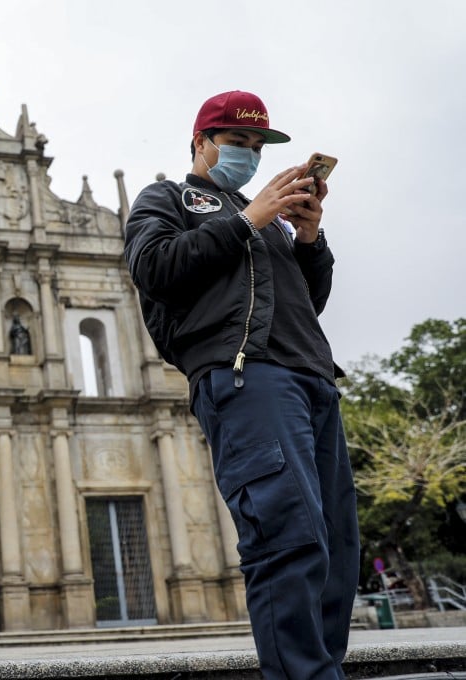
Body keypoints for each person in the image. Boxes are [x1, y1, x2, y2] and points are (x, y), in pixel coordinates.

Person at [123, 91, 359, 680]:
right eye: (236, 142)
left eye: (257, 146)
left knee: (337, 544)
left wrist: (308, 239)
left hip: (312, 379)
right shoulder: (167, 199)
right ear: (200, 143)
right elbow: (154, 268)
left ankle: (324, 670)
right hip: (245, 375)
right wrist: (248, 219)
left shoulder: (271, 220)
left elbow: (307, 303)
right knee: (288, 533)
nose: (249, 154)